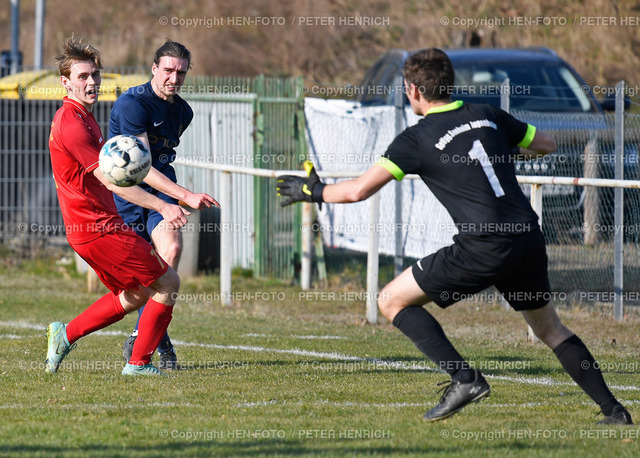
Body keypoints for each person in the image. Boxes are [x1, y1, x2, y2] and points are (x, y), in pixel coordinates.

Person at [277, 48, 633, 425]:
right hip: (527, 236)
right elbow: (547, 144)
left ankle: (465, 379)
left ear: (414, 90)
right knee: (549, 329)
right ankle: (614, 411)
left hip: (484, 245)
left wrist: (313, 191)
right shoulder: (487, 114)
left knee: (391, 301)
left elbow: (357, 191)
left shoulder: (416, 138)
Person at [46, 36, 218, 377]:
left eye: (95, 74)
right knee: (167, 283)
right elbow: (116, 181)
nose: (92, 82)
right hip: (98, 227)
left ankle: (64, 335)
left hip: (96, 226)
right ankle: (138, 362)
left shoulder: (86, 118)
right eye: (83, 77)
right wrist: (166, 204)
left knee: (136, 294)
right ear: (65, 82)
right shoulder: (72, 123)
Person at [108, 39, 199, 370]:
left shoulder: (183, 111)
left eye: (181, 73)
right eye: (168, 70)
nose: (174, 78)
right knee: (138, 282)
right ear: (154, 69)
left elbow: (161, 161)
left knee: (171, 251)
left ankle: (138, 337)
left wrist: (170, 199)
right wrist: (185, 195)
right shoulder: (132, 104)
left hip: (161, 193)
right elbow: (141, 167)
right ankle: (158, 336)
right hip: (129, 194)